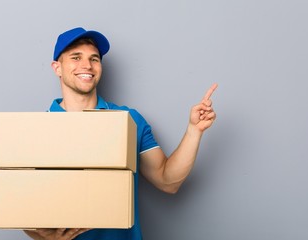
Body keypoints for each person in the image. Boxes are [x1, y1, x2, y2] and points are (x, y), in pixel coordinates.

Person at [24, 27, 217, 240]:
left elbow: (167, 181)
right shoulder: (37, 128)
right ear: (57, 68)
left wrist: (194, 131)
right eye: (76, 57)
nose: (86, 65)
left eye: (94, 59)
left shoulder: (129, 120)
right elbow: (21, 204)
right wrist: (43, 237)